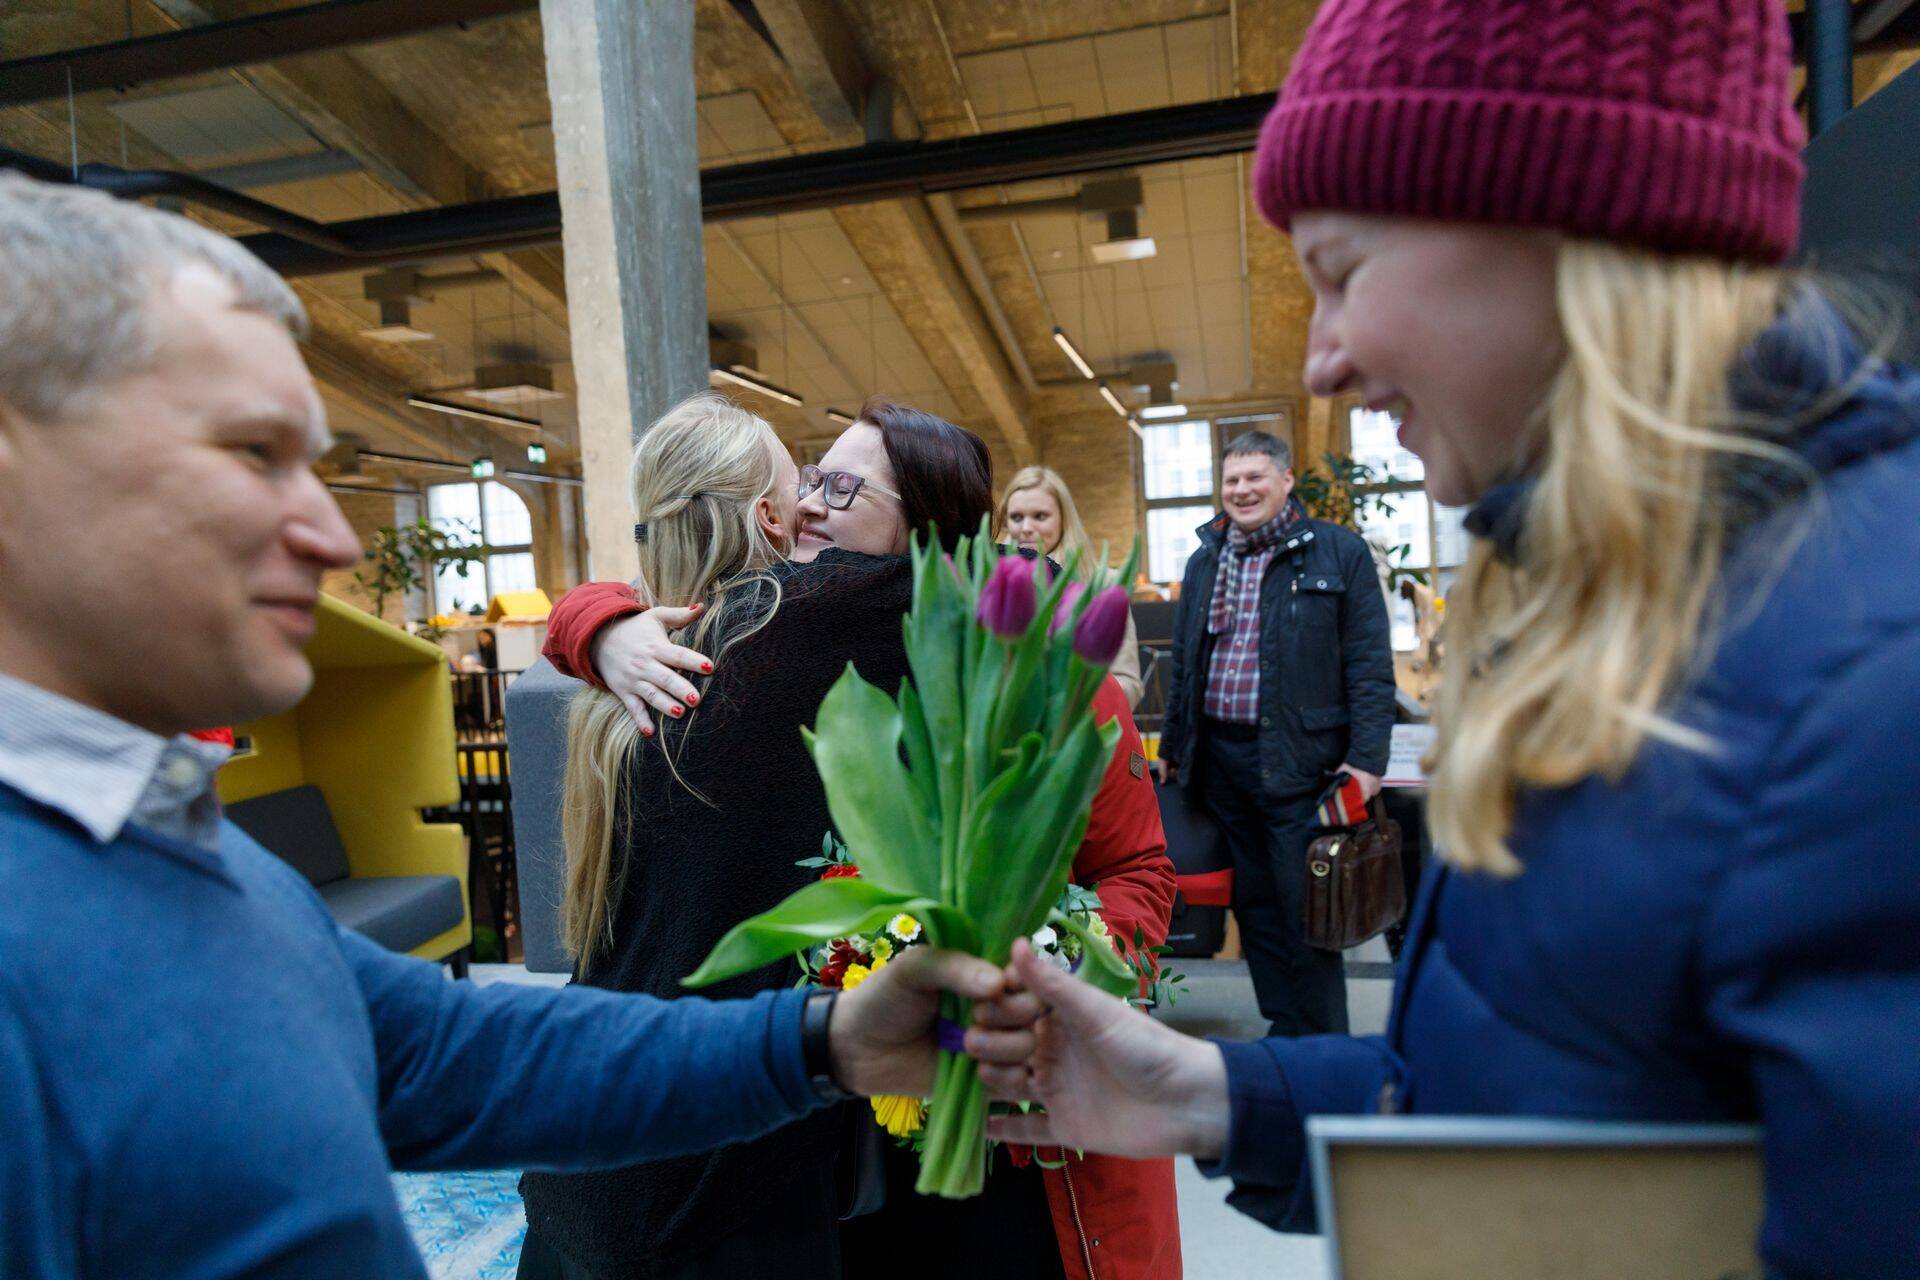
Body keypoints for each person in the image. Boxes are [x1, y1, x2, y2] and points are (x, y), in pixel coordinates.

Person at [983, 1, 1920, 1276]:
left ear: (1563, 217)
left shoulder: (1866, 688)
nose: (1323, 361)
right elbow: (1542, 1099)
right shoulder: (1619, 607)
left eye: (1344, 271)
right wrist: (1205, 1092)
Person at [0, 174, 1045, 1280]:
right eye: (252, 453)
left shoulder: (188, 853)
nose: (334, 537)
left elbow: (445, 1050)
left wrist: (825, 1042)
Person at [527, 398, 1181, 1280]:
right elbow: (667, 589)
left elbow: (1137, 869)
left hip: (988, 1098)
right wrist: (598, 623)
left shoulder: (1040, 666)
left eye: (838, 487)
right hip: (828, 1133)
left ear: (926, 530)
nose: (802, 504)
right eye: (808, 479)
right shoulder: (767, 643)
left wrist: (1044, 965)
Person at [1156, 429, 1395, 1037]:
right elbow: (1186, 664)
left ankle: (1323, 1043)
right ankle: (1284, 1029)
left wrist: (1368, 761)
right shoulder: (1205, 560)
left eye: (1255, 477)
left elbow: (1369, 664)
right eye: (1231, 480)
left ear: (1286, 480)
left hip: (1303, 766)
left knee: (1306, 910)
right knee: (1256, 907)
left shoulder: (1338, 553)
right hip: (1222, 766)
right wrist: (1173, 748)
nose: (1241, 490)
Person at [996, 464, 1145, 707]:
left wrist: (1071, 703)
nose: (1026, 528)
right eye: (1016, 517)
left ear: (1064, 520)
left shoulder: (1102, 584)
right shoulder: (994, 582)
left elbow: (1128, 682)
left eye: (1040, 516)